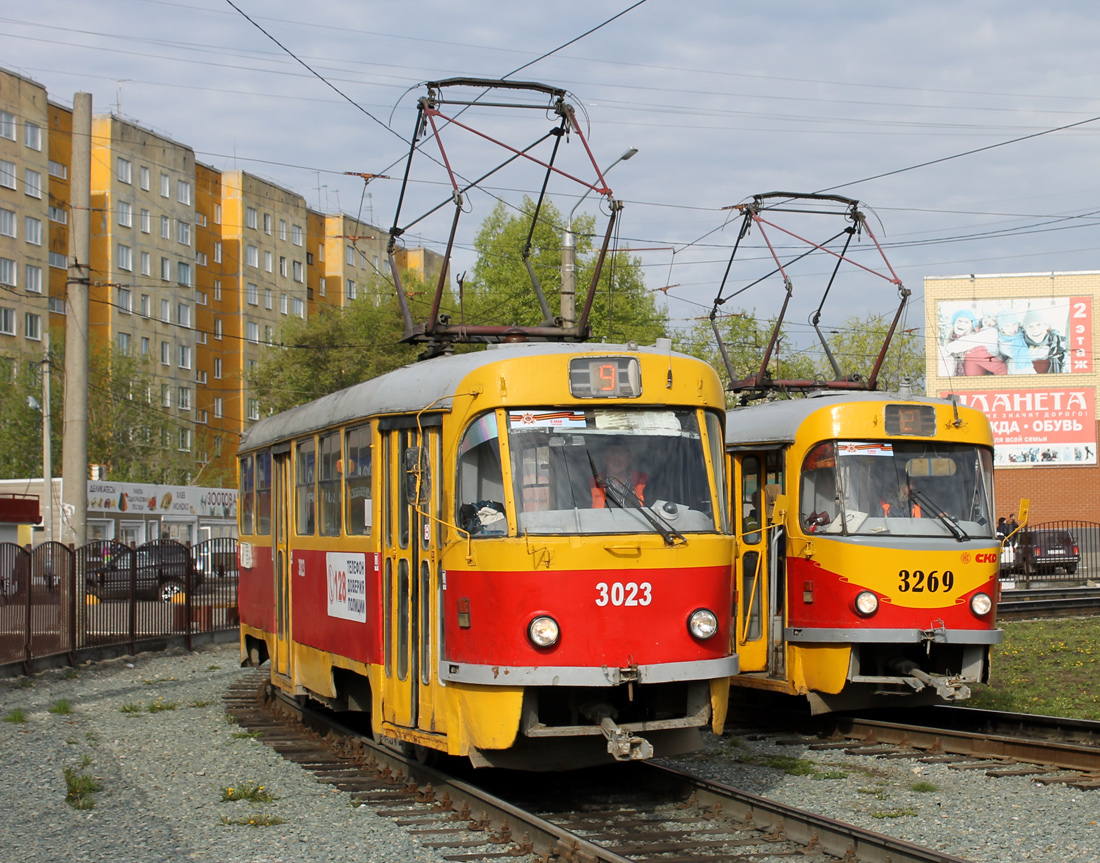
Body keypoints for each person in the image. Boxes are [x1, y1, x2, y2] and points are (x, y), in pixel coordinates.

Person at [942, 309, 1006, 376]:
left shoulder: (974, 349)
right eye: (959, 321)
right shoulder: (950, 347)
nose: (962, 324)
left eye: (967, 322)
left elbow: (1001, 368)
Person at [591, 443, 648, 508]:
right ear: (605, 459)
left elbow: (655, 512)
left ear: (629, 458)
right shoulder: (591, 485)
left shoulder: (645, 483)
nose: (616, 459)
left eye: (621, 453)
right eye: (612, 453)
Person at [1021, 309, 1069, 373]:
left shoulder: (1058, 346)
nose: (1035, 330)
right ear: (1025, 330)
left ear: (1046, 326)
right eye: (1030, 326)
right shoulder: (1017, 351)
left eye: (1038, 324)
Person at [996, 310, 1034, 375]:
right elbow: (1010, 353)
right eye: (1007, 326)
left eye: (1014, 324)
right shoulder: (1001, 340)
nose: (1012, 328)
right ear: (1002, 329)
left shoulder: (1023, 332)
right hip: (1010, 364)